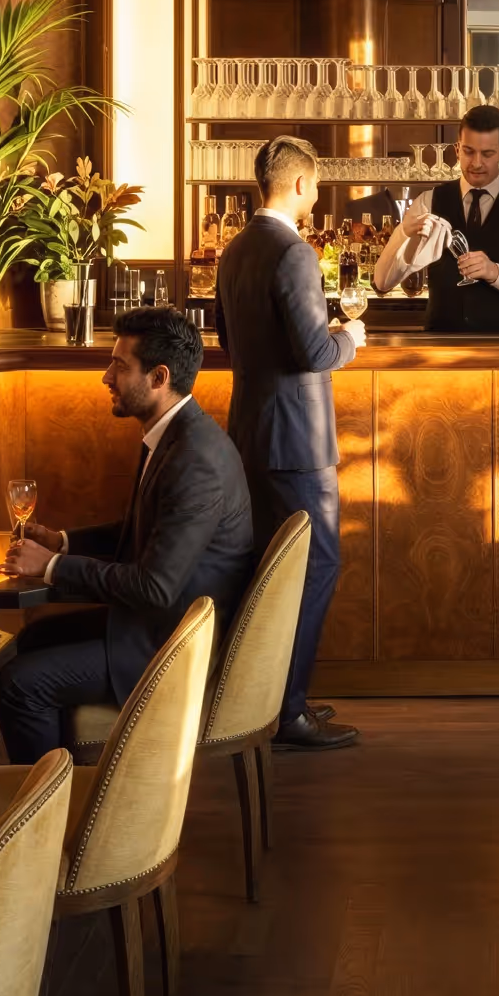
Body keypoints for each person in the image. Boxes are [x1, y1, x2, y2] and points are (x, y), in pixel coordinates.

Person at [0, 308, 257, 762]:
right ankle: (60, 784)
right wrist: (62, 541)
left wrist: (52, 567)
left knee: (18, 683)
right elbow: (143, 531)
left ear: (159, 377)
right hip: (155, 625)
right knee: (28, 641)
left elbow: (155, 587)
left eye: (119, 365)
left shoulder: (194, 461)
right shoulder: (175, 435)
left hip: (171, 644)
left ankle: (47, 804)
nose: (106, 376)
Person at [217, 135, 361, 750]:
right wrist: (351, 336)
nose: (317, 195)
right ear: (301, 184)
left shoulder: (235, 249)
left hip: (249, 432)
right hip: (298, 442)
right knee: (316, 565)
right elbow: (316, 354)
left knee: (264, 572)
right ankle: (288, 710)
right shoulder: (295, 252)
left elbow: (228, 341)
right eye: (317, 185)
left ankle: (259, 704)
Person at [372, 104, 499, 332]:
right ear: (457, 149)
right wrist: (403, 233)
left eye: (487, 154)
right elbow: (382, 282)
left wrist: (495, 272)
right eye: (469, 151)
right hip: (440, 344)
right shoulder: (428, 201)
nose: (476, 163)